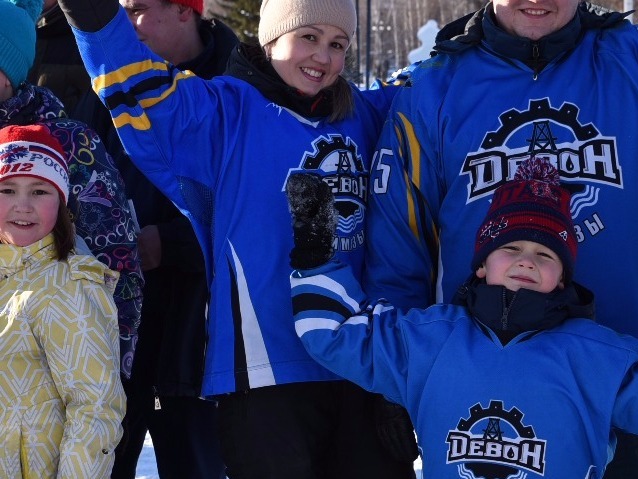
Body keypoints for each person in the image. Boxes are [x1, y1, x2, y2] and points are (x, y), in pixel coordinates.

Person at [363, 1, 638, 475]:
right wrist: (391, 385)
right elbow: (399, 249)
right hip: (469, 391)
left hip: (623, 388)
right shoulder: (431, 87)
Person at [55, 0, 414, 476]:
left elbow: (440, 88)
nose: (323, 56)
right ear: (271, 39)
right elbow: (133, 79)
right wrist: (91, 12)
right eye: (308, 37)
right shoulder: (223, 113)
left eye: (338, 44)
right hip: (264, 376)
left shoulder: (366, 115)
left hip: (360, 366)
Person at [287, 157, 638, 479]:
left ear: (562, 278)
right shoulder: (427, 340)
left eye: (545, 254)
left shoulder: (596, 355)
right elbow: (334, 334)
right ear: (481, 265)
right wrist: (314, 254)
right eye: (510, 248)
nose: (526, 261)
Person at [59, 0, 239, 477]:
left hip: (201, 345)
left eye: (136, 10)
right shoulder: (112, 82)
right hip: (118, 334)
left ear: (184, 10)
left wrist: (172, 244)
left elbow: (259, 211)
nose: (124, 23)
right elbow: (73, 179)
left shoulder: (239, 87)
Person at [1, 0, 144, 382]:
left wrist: (108, 374)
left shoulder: (68, 145)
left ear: (7, 75)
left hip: (53, 378)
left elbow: (116, 263)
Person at [0, 123, 126, 478]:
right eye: (7, 189)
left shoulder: (68, 285)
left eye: (40, 191)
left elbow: (95, 407)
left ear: (62, 202)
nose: (22, 205)